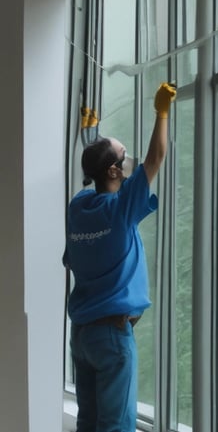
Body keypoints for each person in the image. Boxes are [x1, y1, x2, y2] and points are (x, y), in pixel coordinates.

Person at [63, 82, 176, 432]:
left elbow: (91, 173)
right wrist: (161, 113)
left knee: (89, 422)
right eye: (125, 156)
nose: (131, 161)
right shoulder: (121, 210)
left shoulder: (79, 207)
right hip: (112, 336)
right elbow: (155, 159)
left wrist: (90, 136)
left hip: (82, 335)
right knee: (115, 426)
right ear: (114, 171)